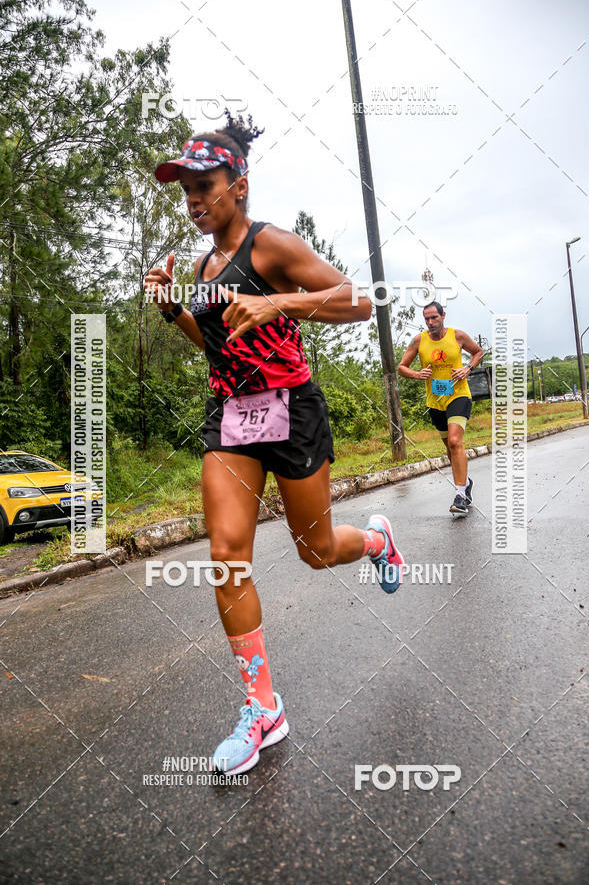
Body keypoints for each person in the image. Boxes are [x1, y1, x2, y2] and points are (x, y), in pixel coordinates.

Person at [144, 112, 405, 776]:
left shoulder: (273, 246)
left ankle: (375, 541)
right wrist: (174, 310)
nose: (196, 199)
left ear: (240, 185)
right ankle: (263, 708)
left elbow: (358, 301)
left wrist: (277, 304)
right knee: (227, 553)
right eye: (187, 189)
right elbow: (216, 344)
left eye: (207, 184)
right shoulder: (202, 265)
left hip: (290, 411)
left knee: (316, 551)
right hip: (231, 415)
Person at [397, 301, 483, 515]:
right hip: (435, 400)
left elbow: (478, 352)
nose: (430, 322)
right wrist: (417, 374)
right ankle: (466, 482)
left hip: (458, 395)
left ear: (443, 315)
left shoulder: (458, 336)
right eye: (426, 318)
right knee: (449, 448)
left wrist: (468, 369)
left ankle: (460, 496)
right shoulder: (419, 340)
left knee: (455, 441)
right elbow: (401, 367)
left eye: (434, 317)